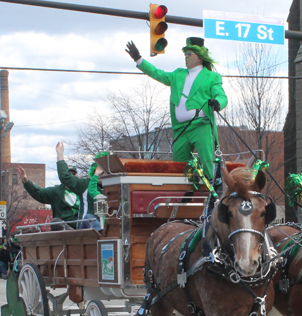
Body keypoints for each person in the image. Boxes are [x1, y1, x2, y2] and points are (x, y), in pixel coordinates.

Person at [125, 37, 228, 179]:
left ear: (199, 56)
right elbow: (158, 73)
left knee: (207, 161)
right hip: (181, 129)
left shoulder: (211, 76)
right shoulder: (178, 74)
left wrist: (217, 102)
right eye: (185, 54)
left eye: (189, 54)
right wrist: (139, 60)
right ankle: (181, 193)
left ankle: (214, 192)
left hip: (201, 126)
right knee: (178, 166)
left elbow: (221, 95)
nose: (186, 57)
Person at [56, 142, 102, 231]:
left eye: (105, 171)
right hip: (86, 230)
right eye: (99, 171)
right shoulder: (85, 184)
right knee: (89, 217)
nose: (102, 174)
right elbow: (65, 177)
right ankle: (100, 232)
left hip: (111, 229)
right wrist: (60, 154)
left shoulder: (116, 187)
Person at [18, 165, 80, 230]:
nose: (70, 176)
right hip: (65, 228)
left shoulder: (84, 190)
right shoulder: (56, 191)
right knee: (56, 222)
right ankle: (74, 236)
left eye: (73, 173)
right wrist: (26, 181)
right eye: (67, 174)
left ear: (77, 175)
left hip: (82, 225)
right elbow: (38, 193)